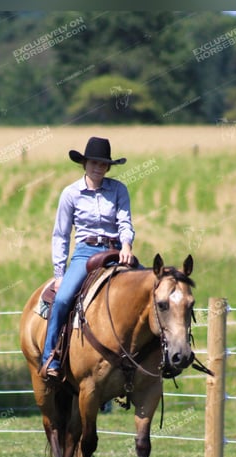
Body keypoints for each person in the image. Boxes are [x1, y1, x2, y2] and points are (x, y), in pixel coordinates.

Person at [40, 136, 136, 382]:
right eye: (94, 163)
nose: (98, 168)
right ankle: (51, 356)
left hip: (116, 251)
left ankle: (148, 360)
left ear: (108, 167)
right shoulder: (70, 194)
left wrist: (126, 244)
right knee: (61, 300)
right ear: (84, 163)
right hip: (86, 252)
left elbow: (124, 222)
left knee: (152, 292)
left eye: (103, 164)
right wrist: (59, 275)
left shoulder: (118, 190)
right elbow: (61, 235)